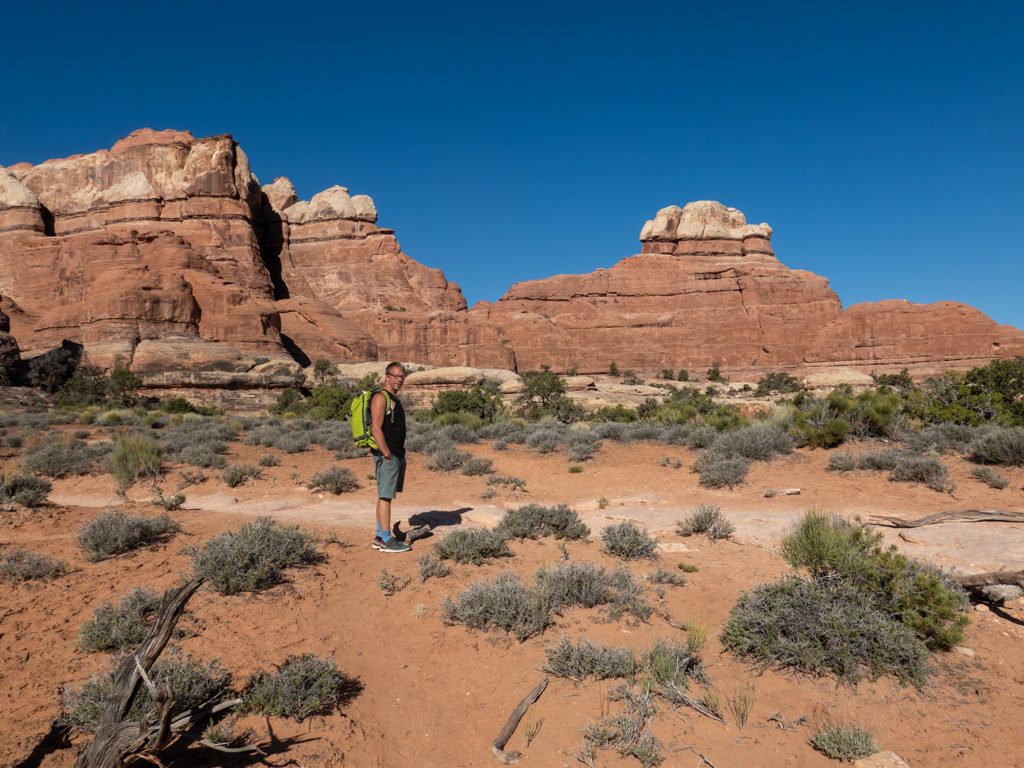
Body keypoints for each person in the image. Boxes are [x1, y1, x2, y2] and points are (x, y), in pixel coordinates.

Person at [370, 362, 411, 553]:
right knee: (386, 496)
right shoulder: (380, 397)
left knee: (384, 496)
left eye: (402, 376)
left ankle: (380, 536)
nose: (399, 380)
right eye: (396, 376)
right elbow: (375, 429)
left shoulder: (394, 397)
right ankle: (386, 540)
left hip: (395, 453)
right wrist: (387, 454)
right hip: (388, 455)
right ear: (387, 376)